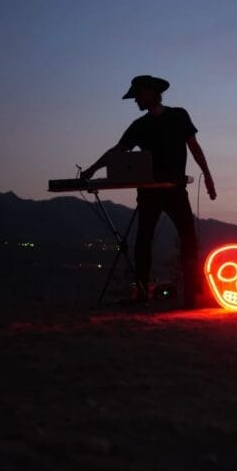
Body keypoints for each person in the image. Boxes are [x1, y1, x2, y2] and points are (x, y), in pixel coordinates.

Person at [81, 75, 216, 307]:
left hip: (175, 189)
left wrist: (208, 176)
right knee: (143, 241)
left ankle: (192, 294)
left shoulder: (178, 115)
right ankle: (142, 293)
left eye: (138, 95)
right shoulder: (139, 125)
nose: (136, 101)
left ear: (151, 93)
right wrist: (93, 168)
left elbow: (194, 146)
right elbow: (118, 150)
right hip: (149, 192)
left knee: (188, 239)